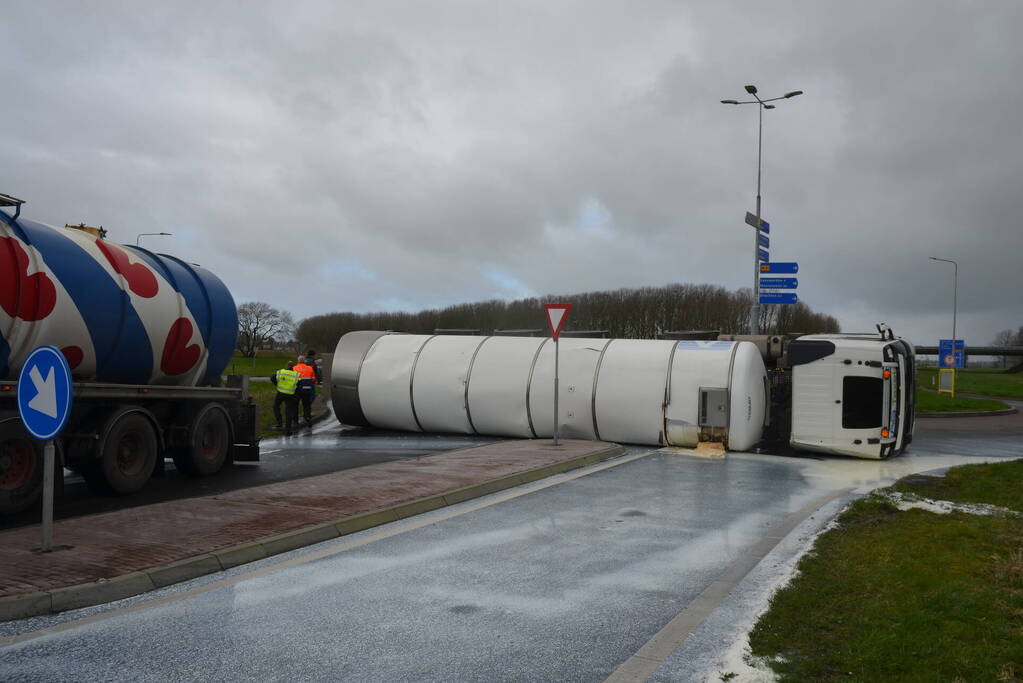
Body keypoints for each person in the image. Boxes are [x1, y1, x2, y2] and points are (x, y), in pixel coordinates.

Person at [270, 361, 300, 435]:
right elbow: (299, 385)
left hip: (280, 393)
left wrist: (277, 384)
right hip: (290, 395)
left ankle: (279, 422)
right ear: (293, 367)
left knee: (276, 406)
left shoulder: (281, 372)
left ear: (286, 365)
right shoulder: (296, 375)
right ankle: (288, 430)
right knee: (288, 412)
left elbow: (272, 378)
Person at [293, 355, 317, 427]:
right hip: (307, 389)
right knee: (306, 405)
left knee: (295, 405)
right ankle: (308, 418)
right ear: (304, 361)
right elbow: (313, 379)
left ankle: (295, 421)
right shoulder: (310, 368)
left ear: (298, 361)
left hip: (298, 390)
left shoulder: (294, 368)